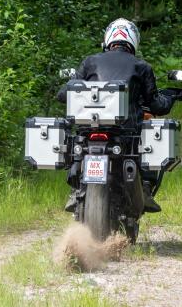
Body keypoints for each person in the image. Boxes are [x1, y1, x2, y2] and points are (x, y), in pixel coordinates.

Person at [57, 18, 174, 213]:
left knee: (78, 145)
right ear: (133, 40)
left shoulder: (90, 62)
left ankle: (76, 189)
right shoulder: (141, 66)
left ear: (108, 39)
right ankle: (144, 189)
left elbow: (62, 95)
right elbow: (156, 105)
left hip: (90, 130)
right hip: (126, 133)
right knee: (152, 135)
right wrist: (170, 97)